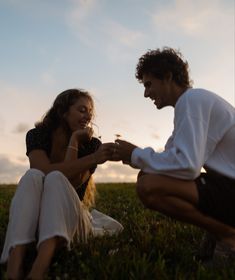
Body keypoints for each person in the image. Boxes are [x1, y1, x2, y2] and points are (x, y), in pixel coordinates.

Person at [113, 47, 235, 257]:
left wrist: (134, 154)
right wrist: (130, 156)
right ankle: (221, 229)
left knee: (149, 185)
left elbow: (187, 165)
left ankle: (227, 236)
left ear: (168, 77)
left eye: (149, 84)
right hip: (226, 186)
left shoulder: (192, 100)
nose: (146, 94)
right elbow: (170, 157)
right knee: (147, 176)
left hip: (230, 188)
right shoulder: (189, 105)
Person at [0, 88, 123, 279]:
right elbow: (42, 170)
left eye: (90, 112)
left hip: (71, 221)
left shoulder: (92, 145)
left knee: (56, 178)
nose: (88, 116)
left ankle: (39, 268)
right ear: (63, 111)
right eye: (82, 110)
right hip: (38, 220)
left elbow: (69, 183)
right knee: (33, 175)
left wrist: (76, 142)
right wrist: (92, 158)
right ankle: (14, 265)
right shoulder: (37, 135)